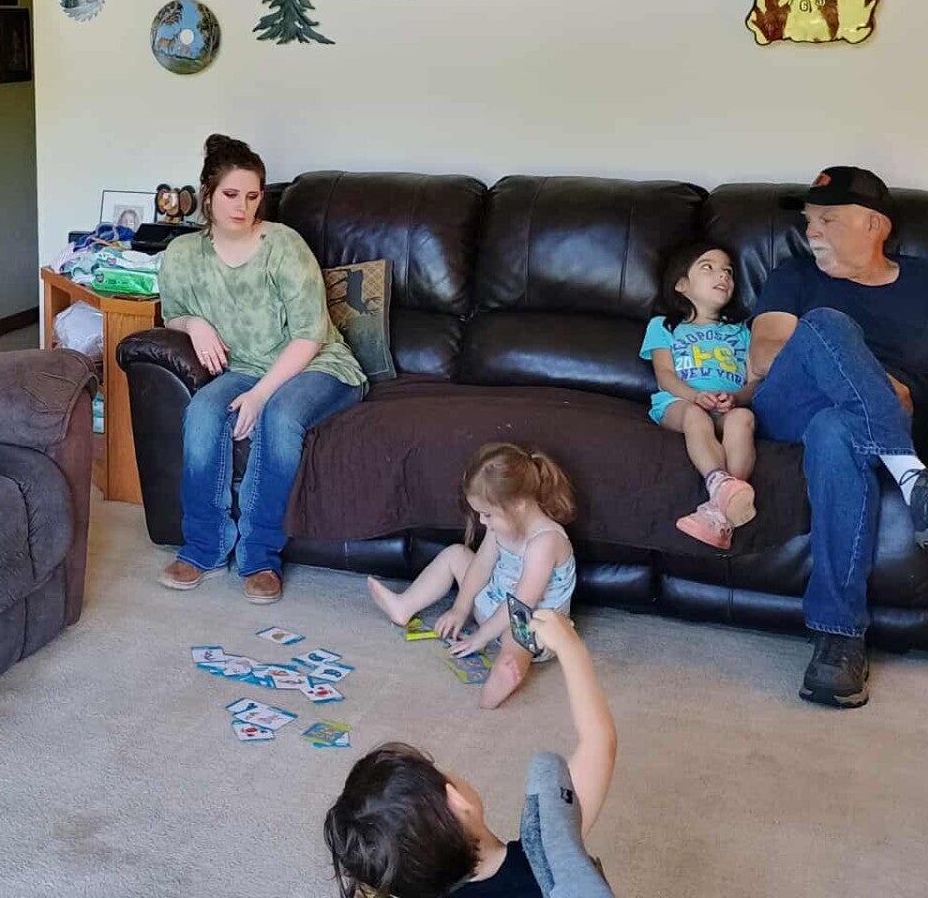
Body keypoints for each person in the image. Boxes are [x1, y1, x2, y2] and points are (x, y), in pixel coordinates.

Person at [748, 166, 928, 709]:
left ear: (874, 225)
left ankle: (838, 639)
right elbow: (764, 356)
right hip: (790, 406)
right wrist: (866, 377)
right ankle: (914, 479)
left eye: (827, 219)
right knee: (826, 324)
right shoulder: (792, 275)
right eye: (809, 221)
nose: (811, 231)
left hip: (862, 424)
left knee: (836, 430)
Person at [158, 134, 367, 603]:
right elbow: (172, 314)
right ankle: (203, 548)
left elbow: (309, 336)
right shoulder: (183, 254)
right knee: (202, 414)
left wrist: (259, 395)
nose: (243, 207)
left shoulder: (284, 245)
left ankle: (259, 556)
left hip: (317, 364)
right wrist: (194, 325)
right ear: (207, 194)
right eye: (231, 194)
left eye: (253, 196)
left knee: (280, 417)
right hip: (245, 366)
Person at [324, 610, 616, 898]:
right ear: (457, 800)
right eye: (435, 768)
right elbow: (599, 742)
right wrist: (570, 647)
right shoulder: (545, 861)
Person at [365, 443, 578, 710]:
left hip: (531, 622)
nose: (482, 521)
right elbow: (481, 566)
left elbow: (521, 603)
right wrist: (460, 608)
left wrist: (481, 637)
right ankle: (403, 606)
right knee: (456, 553)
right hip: (494, 603)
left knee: (517, 639)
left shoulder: (546, 542)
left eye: (487, 514)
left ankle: (508, 669)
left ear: (519, 504)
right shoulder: (501, 525)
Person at [641, 243, 758, 549]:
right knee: (695, 417)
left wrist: (737, 398)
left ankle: (719, 511)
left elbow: (754, 381)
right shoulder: (663, 326)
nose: (723, 275)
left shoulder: (742, 332)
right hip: (679, 403)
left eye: (728, 271)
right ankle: (719, 482)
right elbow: (665, 375)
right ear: (681, 284)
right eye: (708, 267)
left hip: (727, 406)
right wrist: (694, 397)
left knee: (743, 419)